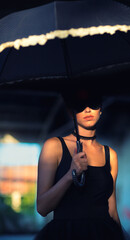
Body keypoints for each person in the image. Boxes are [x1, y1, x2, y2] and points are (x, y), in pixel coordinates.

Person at [34, 88, 125, 240]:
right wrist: (70, 175)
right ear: (71, 112)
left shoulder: (110, 155)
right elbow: (42, 208)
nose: (88, 109)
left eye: (94, 104)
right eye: (80, 104)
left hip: (104, 234)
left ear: (100, 109)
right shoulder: (54, 146)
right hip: (66, 234)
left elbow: (112, 210)